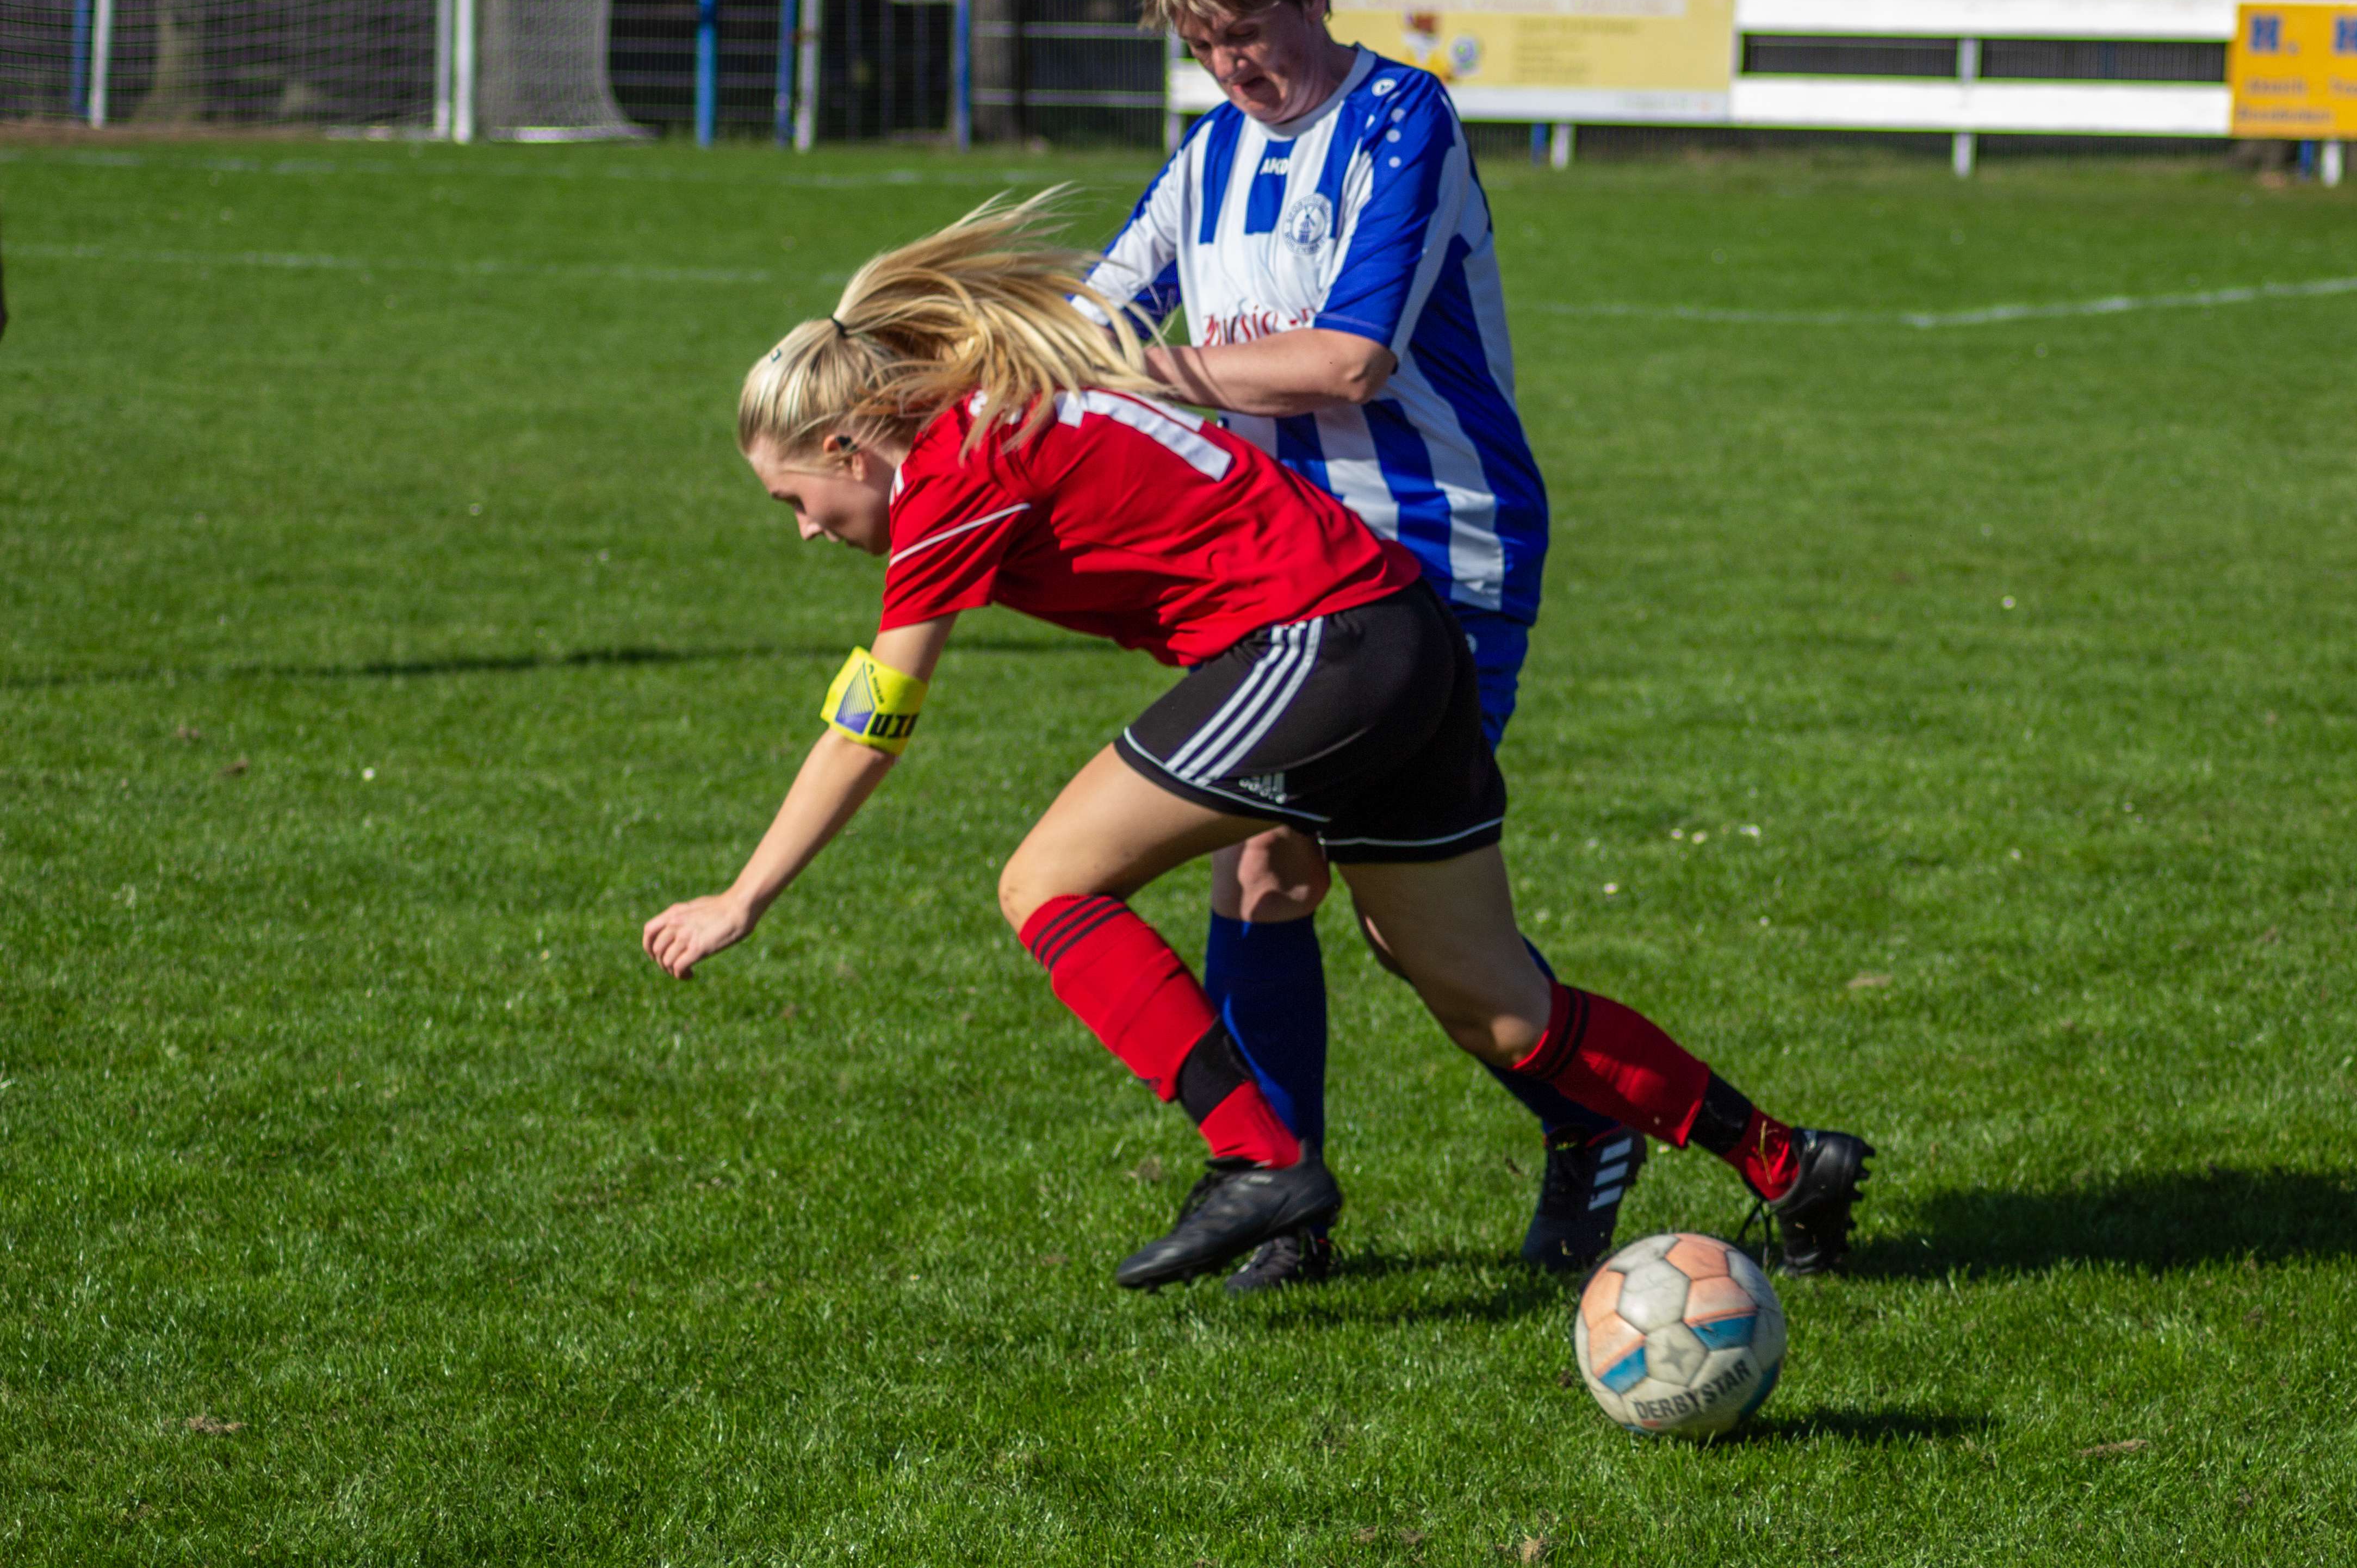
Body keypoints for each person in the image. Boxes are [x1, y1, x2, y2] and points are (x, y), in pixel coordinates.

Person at [637, 195, 1872, 1289]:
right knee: (1498, 1008)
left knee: (1045, 883)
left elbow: (873, 722)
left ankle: (1259, 1163)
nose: (806, 530)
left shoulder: (958, 468)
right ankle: (1787, 1161)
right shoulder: (1002, 421)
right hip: (1401, 638)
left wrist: (745, 897)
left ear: (849, 449)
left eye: (796, 500)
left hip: (1318, 646)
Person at [1083, 0, 1638, 1288]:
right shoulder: (1207, 156)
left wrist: (1136, 369)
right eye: (1204, 46)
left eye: (1248, 33)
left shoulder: (1403, 120)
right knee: (1259, 867)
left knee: (1416, 935)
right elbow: (1087, 317)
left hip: (1436, 552)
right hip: (1285, 572)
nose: (1232, 67)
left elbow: (1348, 360)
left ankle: (1598, 1121)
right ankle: (1283, 1198)